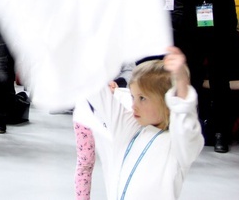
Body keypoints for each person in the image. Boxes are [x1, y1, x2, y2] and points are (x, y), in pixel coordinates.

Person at [163, 0, 239, 153]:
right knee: (193, 82)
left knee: (220, 85)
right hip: (193, 37)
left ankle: (221, 133)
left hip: (221, 37)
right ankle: (194, 130)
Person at [86, 50, 203, 199]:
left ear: (168, 102)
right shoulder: (130, 127)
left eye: (142, 98)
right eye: (132, 97)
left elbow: (187, 126)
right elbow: (94, 92)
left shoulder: (178, 146)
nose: (134, 105)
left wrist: (181, 84)